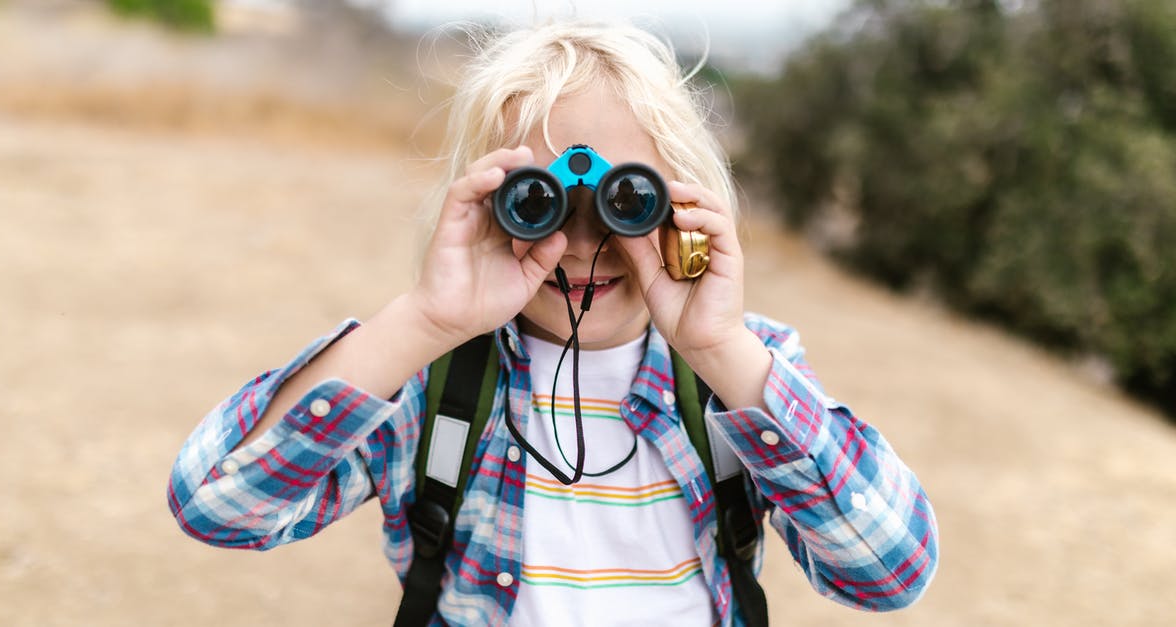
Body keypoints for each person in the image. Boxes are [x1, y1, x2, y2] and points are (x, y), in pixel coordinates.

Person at [167, 20, 939, 626]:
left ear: (685, 210)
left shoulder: (744, 376)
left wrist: (718, 347)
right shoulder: (429, 385)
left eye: (626, 203)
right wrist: (425, 320)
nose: (577, 244)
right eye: (534, 204)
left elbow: (890, 572)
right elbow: (215, 506)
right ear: (478, 209)